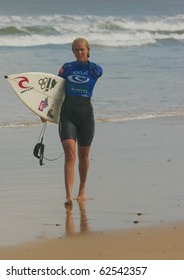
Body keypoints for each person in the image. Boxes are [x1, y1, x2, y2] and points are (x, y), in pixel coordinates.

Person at [58, 37, 103, 207]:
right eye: (76, 50)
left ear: (88, 50)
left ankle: (82, 189)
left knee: (84, 156)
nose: (79, 52)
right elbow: (55, 91)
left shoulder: (95, 70)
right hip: (67, 114)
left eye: (82, 49)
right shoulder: (66, 68)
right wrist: (45, 112)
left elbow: (98, 72)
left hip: (85, 116)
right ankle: (69, 195)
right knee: (70, 154)